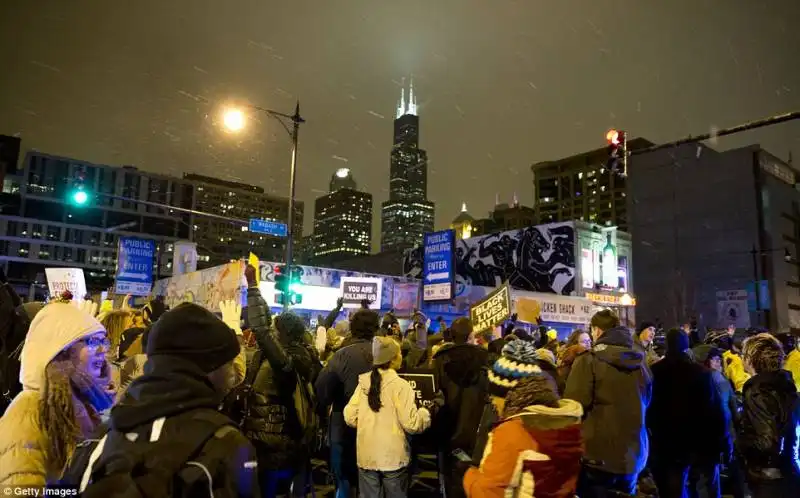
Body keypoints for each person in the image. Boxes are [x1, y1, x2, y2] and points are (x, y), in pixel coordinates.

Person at [64, 302, 259, 497]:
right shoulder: (224, 444)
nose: (233, 374)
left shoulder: (102, 436)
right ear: (210, 367)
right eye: (229, 363)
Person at [0, 301, 114, 487]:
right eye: (92, 342)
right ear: (62, 352)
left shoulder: (88, 403)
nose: (103, 350)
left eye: (103, 340)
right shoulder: (30, 411)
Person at [564, 309, 652, 497]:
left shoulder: (589, 361)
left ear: (596, 331)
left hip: (598, 456)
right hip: (633, 455)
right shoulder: (640, 362)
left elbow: (574, 406)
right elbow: (648, 400)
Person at [464, 373, 584, 498]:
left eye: (496, 394)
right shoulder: (569, 426)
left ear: (514, 397)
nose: (492, 401)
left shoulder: (513, 432)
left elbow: (489, 493)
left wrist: (470, 475)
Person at [344, 336, 434, 498]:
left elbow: (350, 415)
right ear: (392, 359)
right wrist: (424, 413)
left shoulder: (363, 383)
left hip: (366, 456)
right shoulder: (401, 386)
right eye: (399, 354)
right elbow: (412, 424)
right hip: (393, 458)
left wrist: (366, 424)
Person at [647, 329, 730, 498]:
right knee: (702, 486)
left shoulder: (654, 372)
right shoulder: (701, 373)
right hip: (697, 442)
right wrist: (723, 441)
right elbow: (715, 410)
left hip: (665, 442)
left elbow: (648, 407)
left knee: (672, 488)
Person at [316, 308, 381, 498]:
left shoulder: (342, 355)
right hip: (379, 421)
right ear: (375, 328)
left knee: (343, 475)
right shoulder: (387, 354)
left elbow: (323, 388)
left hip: (343, 421)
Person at [431, 317, 490, 498]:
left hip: (448, 429)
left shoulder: (440, 360)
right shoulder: (486, 358)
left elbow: (434, 393)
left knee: (449, 479)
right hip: (477, 430)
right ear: (471, 335)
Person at [738, 333, 800, 496]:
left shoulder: (757, 390)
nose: (740, 358)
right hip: (789, 471)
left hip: (769, 476)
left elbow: (767, 441)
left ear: (752, 358)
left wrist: (739, 443)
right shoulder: (785, 384)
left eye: (743, 354)